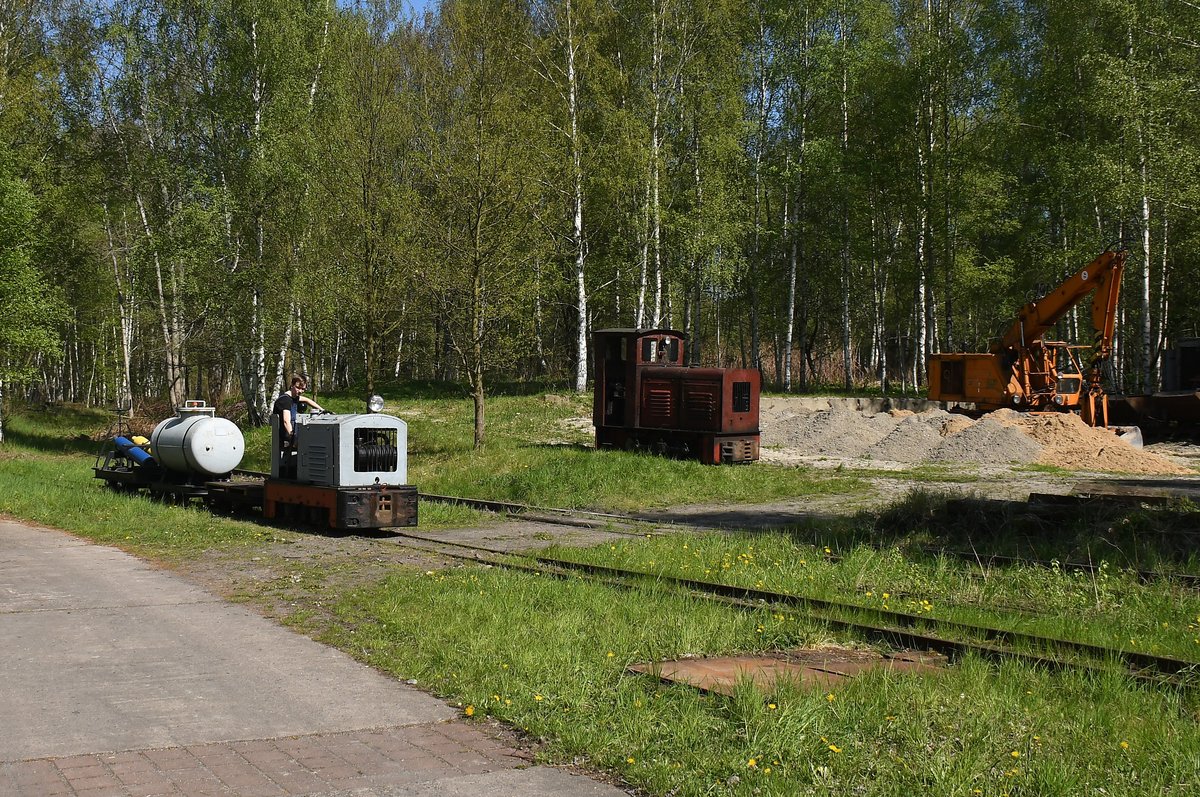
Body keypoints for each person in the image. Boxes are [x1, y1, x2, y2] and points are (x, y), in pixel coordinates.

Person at [273, 375, 325, 476]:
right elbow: (286, 421)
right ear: (291, 385)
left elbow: (307, 400)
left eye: (303, 389)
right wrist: (293, 437)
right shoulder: (285, 400)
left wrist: (323, 410)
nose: (300, 391)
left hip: (292, 430)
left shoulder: (294, 398)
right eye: (298, 388)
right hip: (285, 434)